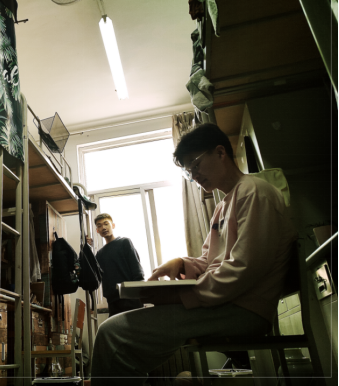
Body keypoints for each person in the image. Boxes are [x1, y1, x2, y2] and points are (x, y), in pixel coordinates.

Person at [91, 123, 296, 386]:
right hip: (226, 302)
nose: (194, 175)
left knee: (112, 333)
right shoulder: (223, 206)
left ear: (220, 152)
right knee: (120, 339)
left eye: (196, 165)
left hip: (242, 308)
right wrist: (181, 263)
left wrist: (180, 296)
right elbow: (210, 261)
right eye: (189, 172)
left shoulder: (254, 192)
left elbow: (243, 269)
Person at [94, 213, 145, 317]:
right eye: (99, 226)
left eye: (106, 224)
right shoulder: (100, 254)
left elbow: (136, 268)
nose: (103, 227)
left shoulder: (124, 242)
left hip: (131, 296)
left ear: (113, 225)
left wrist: (139, 293)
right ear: (97, 230)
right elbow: (96, 275)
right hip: (113, 300)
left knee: (136, 325)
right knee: (116, 327)